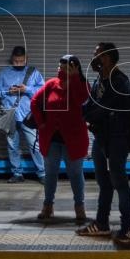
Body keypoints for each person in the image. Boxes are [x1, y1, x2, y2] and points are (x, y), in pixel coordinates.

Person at [77, 42, 130, 244]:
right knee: (104, 183)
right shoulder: (99, 80)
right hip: (101, 138)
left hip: (116, 139)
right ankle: (102, 224)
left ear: (109, 57)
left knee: (119, 182)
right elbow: (92, 103)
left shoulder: (120, 80)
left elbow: (107, 108)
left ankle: (128, 228)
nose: (94, 58)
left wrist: (89, 115)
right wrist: (82, 112)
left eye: (98, 55)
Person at [32, 55, 90, 223]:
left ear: (75, 68)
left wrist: (74, 78)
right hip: (51, 139)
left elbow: (81, 100)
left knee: (75, 174)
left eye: (65, 66)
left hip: (74, 139)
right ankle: (47, 206)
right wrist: (41, 123)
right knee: (50, 173)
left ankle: (80, 207)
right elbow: (35, 101)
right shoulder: (51, 84)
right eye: (60, 65)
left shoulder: (82, 84)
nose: (60, 68)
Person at [0, 45, 45, 183]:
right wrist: (8, 91)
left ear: (26, 59)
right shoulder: (4, 73)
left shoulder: (34, 72)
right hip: (10, 114)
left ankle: (42, 173)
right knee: (12, 145)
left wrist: (27, 89)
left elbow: (43, 91)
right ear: (12, 59)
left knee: (35, 145)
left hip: (28, 115)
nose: (19, 64)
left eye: (21, 61)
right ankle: (17, 173)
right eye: (16, 61)